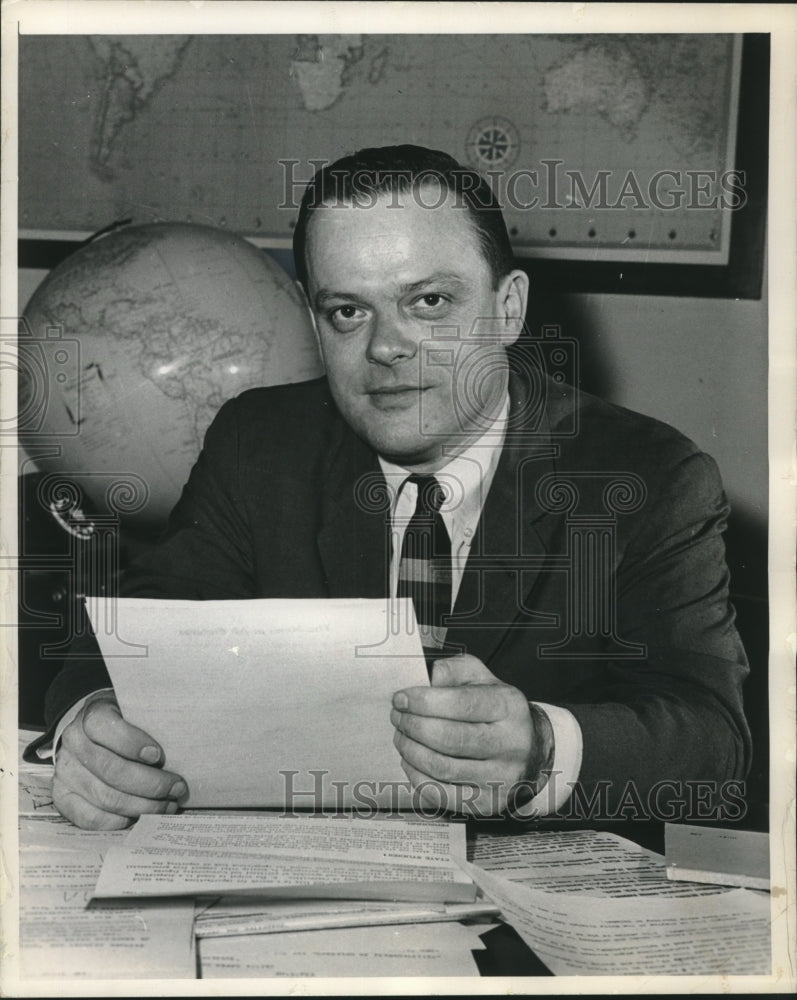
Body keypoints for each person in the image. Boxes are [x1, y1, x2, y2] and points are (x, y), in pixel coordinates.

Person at [33, 145, 751, 830]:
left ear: (508, 309)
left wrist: (538, 750)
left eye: (430, 302)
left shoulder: (648, 476)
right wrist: (92, 722)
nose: (385, 347)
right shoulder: (260, 443)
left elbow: (713, 750)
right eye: (347, 310)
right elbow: (137, 630)